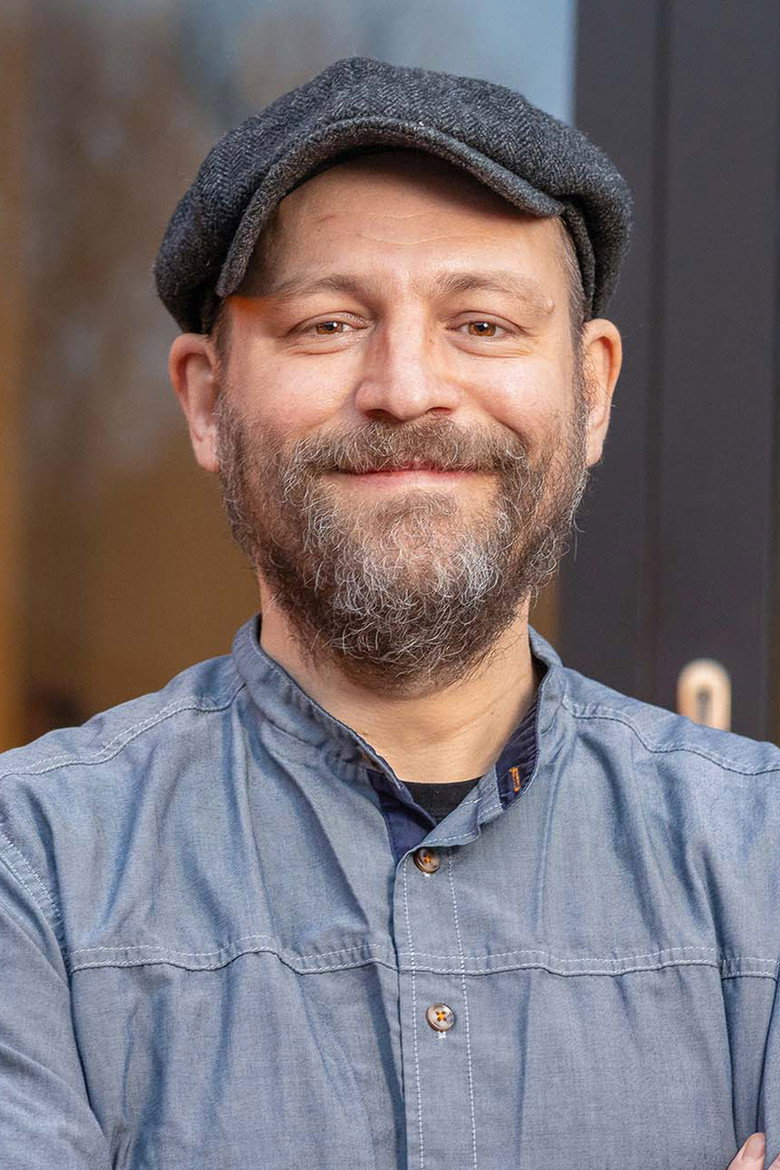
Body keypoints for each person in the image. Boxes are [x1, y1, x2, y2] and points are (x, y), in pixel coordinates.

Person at [1, 57, 778, 1170]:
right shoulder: (31, 871)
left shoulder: (764, 860)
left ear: (593, 391)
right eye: (328, 324)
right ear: (209, 401)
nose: (406, 388)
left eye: (484, 324)